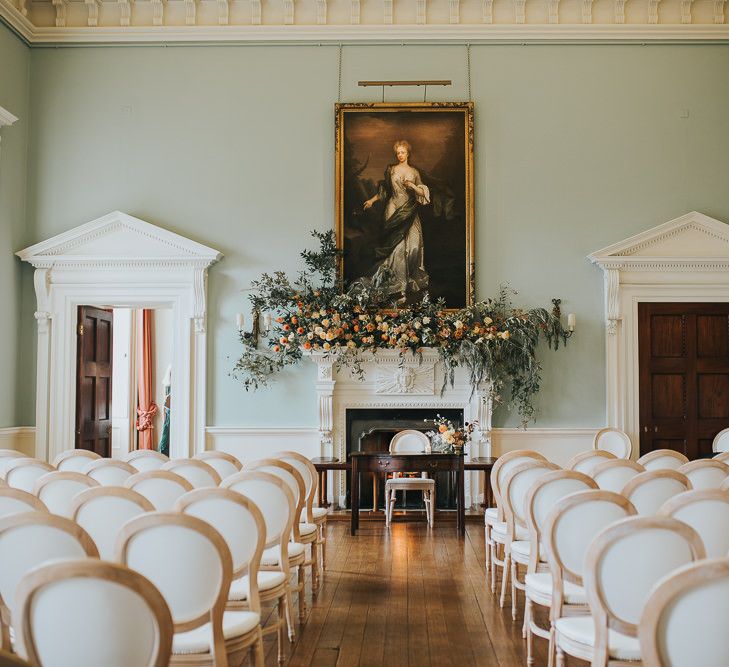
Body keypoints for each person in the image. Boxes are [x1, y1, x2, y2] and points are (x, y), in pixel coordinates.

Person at [362, 140, 431, 306]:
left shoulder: (414, 172)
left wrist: (413, 187)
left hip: (409, 210)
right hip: (393, 210)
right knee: (398, 249)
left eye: (403, 152)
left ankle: (408, 281)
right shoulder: (391, 170)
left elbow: (423, 192)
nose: (400, 155)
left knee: (414, 244)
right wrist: (372, 200)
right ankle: (398, 287)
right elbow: (384, 191)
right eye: (398, 152)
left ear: (408, 153)